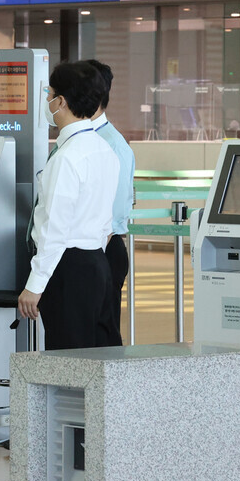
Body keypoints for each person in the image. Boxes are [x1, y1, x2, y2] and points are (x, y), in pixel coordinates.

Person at [17, 62, 122, 350]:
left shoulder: (67, 157)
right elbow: (105, 222)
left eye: (49, 94)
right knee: (98, 357)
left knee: (68, 359)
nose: (47, 101)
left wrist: (34, 285)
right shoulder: (104, 150)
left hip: (68, 268)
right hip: (97, 263)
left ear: (60, 101)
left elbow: (54, 228)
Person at [86, 60, 135, 338]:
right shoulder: (78, 139)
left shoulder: (112, 144)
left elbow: (112, 215)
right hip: (88, 253)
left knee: (101, 338)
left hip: (101, 251)